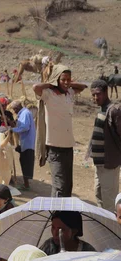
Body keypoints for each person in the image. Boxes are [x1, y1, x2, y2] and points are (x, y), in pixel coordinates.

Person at [34, 65, 87, 197]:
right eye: (63, 79)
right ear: (56, 79)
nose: (66, 82)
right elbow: (36, 87)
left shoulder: (69, 93)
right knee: (59, 186)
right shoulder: (48, 94)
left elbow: (83, 87)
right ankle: (56, 214)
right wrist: (53, 84)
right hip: (54, 148)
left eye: (68, 79)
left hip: (68, 146)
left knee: (68, 185)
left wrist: (68, 84)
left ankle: (65, 215)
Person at [89, 79, 121, 211]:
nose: (96, 97)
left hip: (109, 164)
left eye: (98, 94)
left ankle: (114, 229)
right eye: (93, 95)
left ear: (106, 92)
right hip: (99, 164)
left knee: (110, 202)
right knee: (99, 197)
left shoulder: (114, 110)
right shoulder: (102, 109)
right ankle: (104, 228)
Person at [8, 100, 36, 190]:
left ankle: (26, 185)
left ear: (16, 108)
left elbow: (25, 127)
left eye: (14, 110)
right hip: (25, 142)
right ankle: (26, 183)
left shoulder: (25, 113)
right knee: (23, 161)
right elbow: (20, 125)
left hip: (28, 142)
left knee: (25, 162)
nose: (14, 112)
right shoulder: (23, 113)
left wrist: (13, 130)